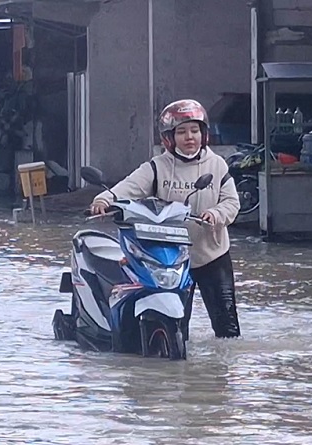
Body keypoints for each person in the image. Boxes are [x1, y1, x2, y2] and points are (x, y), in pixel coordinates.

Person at [90, 99, 241, 339]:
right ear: (169, 137)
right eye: (181, 132)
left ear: (204, 134)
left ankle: (221, 374)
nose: (189, 137)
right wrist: (105, 199)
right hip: (171, 258)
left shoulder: (217, 165)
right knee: (178, 324)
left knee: (228, 329)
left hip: (212, 254)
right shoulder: (157, 167)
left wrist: (216, 213)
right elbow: (130, 186)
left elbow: (232, 202)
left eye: (194, 130)